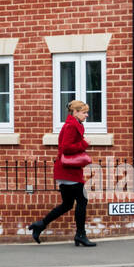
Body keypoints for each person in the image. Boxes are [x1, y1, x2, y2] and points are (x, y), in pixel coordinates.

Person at [28, 99, 96, 246]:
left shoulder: (73, 125)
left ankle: (40, 225)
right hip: (69, 172)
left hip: (66, 171)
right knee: (82, 201)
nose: (87, 115)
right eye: (84, 112)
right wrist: (84, 143)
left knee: (67, 204)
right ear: (75, 112)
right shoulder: (71, 126)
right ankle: (80, 235)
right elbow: (66, 148)